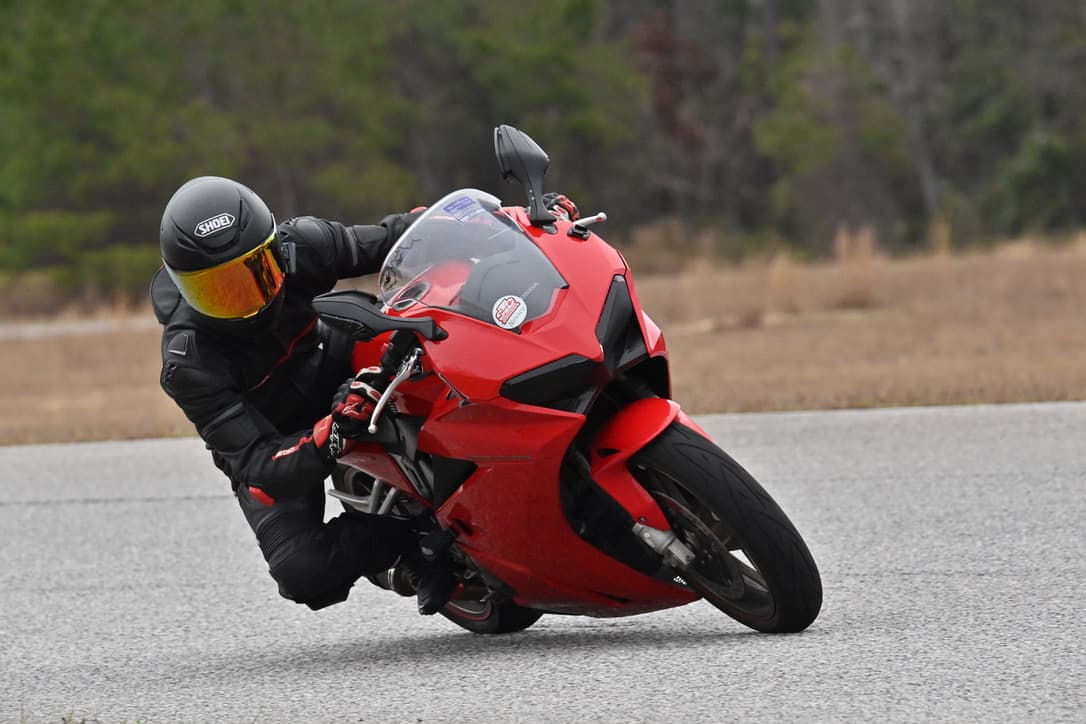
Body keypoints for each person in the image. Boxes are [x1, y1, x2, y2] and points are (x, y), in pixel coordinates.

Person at [151, 175, 578, 615]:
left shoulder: (303, 245)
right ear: (182, 288)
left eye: (255, 273)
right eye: (214, 292)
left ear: (276, 249)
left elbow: (403, 235)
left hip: (331, 359)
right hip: (276, 437)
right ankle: (411, 547)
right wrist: (331, 432)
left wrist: (517, 222)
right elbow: (258, 463)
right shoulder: (189, 362)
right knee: (301, 571)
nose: (243, 302)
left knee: (420, 327)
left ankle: (506, 432)